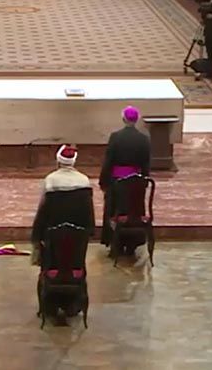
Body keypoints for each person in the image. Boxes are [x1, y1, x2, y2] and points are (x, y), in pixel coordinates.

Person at [31, 145, 95, 325]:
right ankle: (73, 303)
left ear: (58, 160)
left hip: (52, 241)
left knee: (50, 259)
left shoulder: (50, 181)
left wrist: (37, 237)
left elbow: (42, 212)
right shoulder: (84, 181)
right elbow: (89, 217)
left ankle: (47, 306)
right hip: (77, 244)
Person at [99, 106, 152, 253]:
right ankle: (132, 244)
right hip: (136, 183)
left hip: (117, 182)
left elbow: (109, 160)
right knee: (133, 210)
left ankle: (115, 243)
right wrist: (144, 181)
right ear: (137, 120)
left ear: (123, 119)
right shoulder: (144, 139)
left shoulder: (116, 137)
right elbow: (146, 163)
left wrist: (104, 181)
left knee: (114, 210)